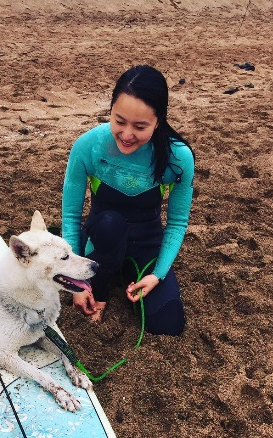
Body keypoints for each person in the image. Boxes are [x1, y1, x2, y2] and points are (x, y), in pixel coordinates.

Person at [61, 64, 194, 335]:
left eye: (140, 126)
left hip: (146, 245)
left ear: (159, 121)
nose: (127, 134)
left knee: (169, 324)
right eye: (119, 121)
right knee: (111, 223)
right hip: (100, 243)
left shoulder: (178, 158)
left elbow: (177, 222)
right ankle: (101, 287)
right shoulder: (88, 146)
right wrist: (77, 280)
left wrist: (157, 275)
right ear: (110, 111)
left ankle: (127, 274)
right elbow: (71, 216)